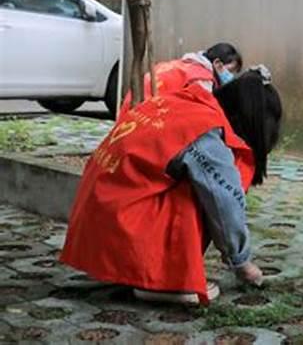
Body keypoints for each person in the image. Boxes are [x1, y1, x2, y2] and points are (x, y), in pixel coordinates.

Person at [60, 69, 282, 303]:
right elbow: (225, 199)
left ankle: (132, 270)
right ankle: (164, 282)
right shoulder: (204, 130)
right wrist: (242, 262)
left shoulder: (181, 101)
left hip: (92, 232)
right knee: (202, 187)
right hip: (123, 228)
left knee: (184, 175)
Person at [119, 42, 244, 115]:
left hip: (128, 115)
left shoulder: (181, 65)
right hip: (145, 118)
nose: (231, 77)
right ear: (217, 64)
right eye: (231, 71)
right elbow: (200, 116)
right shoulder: (201, 80)